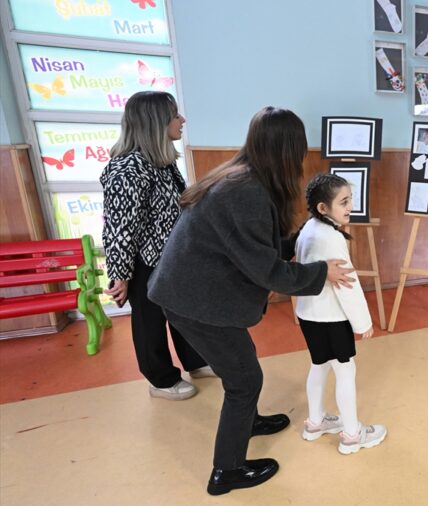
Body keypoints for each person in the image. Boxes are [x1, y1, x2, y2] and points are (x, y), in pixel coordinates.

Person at [147, 107, 356, 495]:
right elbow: (266, 271)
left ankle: (249, 421)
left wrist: (296, 241)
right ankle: (226, 471)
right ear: (287, 150)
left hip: (191, 289)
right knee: (245, 380)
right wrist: (322, 272)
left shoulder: (240, 175)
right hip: (193, 299)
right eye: (298, 147)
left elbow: (250, 249)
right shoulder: (247, 192)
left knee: (241, 366)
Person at [100, 91, 212, 401]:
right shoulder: (127, 169)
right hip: (145, 262)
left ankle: (196, 361)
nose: (182, 120)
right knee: (150, 321)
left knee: (184, 311)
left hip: (172, 257)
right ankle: (161, 380)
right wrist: (120, 274)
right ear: (156, 122)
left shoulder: (160, 161)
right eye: (176, 115)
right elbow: (120, 227)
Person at [296, 174, 387, 455]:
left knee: (319, 364)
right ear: (323, 208)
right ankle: (351, 434)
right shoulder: (332, 237)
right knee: (345, 370)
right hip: (331, 319)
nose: (350, 207)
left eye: (350, 200)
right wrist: (363, 322)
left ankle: (315, 421)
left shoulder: (308, 228)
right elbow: (348, 285)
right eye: (343, 202)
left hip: (308, 315)